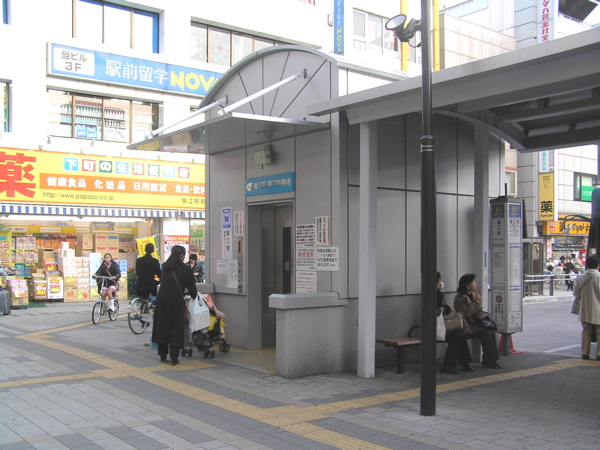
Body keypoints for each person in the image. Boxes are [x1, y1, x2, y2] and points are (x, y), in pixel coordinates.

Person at [151, 245, 198, 366]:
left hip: (162, 300)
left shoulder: (165, 266)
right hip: (176, 301)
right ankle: (174, 357)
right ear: (182, 256)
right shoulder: (184, 268)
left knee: (163, 325)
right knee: (175, 327)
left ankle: (162, 354)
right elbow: (192, 289)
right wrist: (193, 295)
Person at [454, 273, 502, 369]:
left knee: (491, 332)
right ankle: (488, 360)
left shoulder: (473, 295)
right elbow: (466, 313)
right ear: (467, 286)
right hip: (466, 324)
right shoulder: (460, 298)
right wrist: (476, 302)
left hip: (475, 322)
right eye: (472, 282)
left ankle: (492, 359)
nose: (475, 283)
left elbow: (477, 310)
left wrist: (481, 314)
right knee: (486, 333)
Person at [438, 272, 473, 375]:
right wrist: (443, 309)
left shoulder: (439, 294)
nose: (441, 282)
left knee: (460, 335)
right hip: (438, 327)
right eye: (439, 281)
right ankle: (449, 365)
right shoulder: (433, 295)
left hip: (443, 325)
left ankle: (465, 362)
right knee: (455, 338)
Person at [573, 254, 600, 361]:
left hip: (584, 309)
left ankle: (585, 353)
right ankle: (599, 354)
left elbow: (576, 294)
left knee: (586, 332)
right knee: (599, 333)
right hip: (598, 309)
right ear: (598, 265)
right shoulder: (598, 277)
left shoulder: (581, 278)